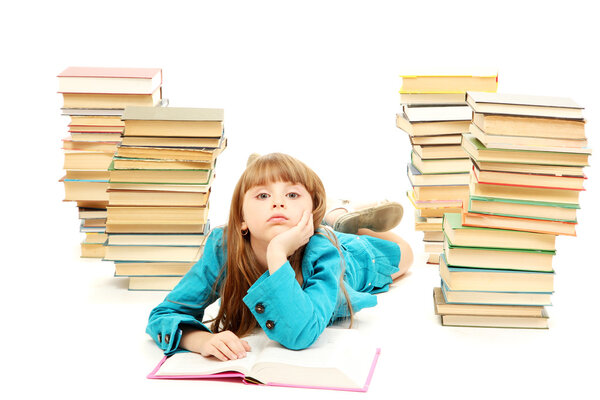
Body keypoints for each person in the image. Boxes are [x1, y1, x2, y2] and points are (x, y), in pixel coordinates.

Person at [146, 153, 413, 361]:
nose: (278, 203)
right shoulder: (224, 246)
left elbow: (300, 334)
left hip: (347, 256)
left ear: (311, 213)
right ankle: (335, 213)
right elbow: (165, 313)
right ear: (241, 219)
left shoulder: (324, 251)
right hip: (311, 231)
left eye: (292, 194)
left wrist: (277, 253)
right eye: (263, 195)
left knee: (405, 256)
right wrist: (199, 340)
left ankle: (338, 216)